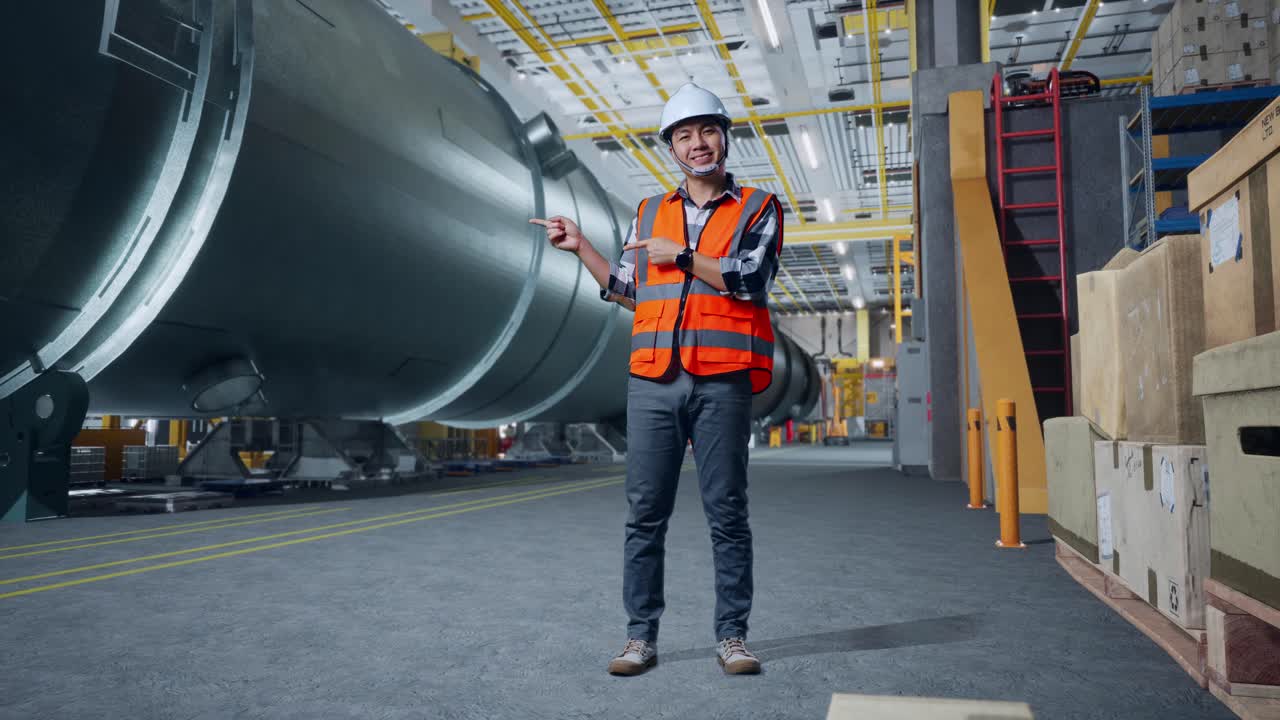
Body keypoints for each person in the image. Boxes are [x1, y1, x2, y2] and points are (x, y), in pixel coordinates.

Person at [530, 83, 783, 677]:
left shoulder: (758, 206)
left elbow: (749, 278)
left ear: (725, 135)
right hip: (653, 379)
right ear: (671, 147)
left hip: (722, 379)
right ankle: (639, 636)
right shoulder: (648, 212)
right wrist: (582, 248)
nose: (698, 144)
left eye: (707, 131)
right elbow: (629, 289)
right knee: (644, 513)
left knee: (726, 511)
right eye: (684, 135)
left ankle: (733, 637)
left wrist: (682, 252)